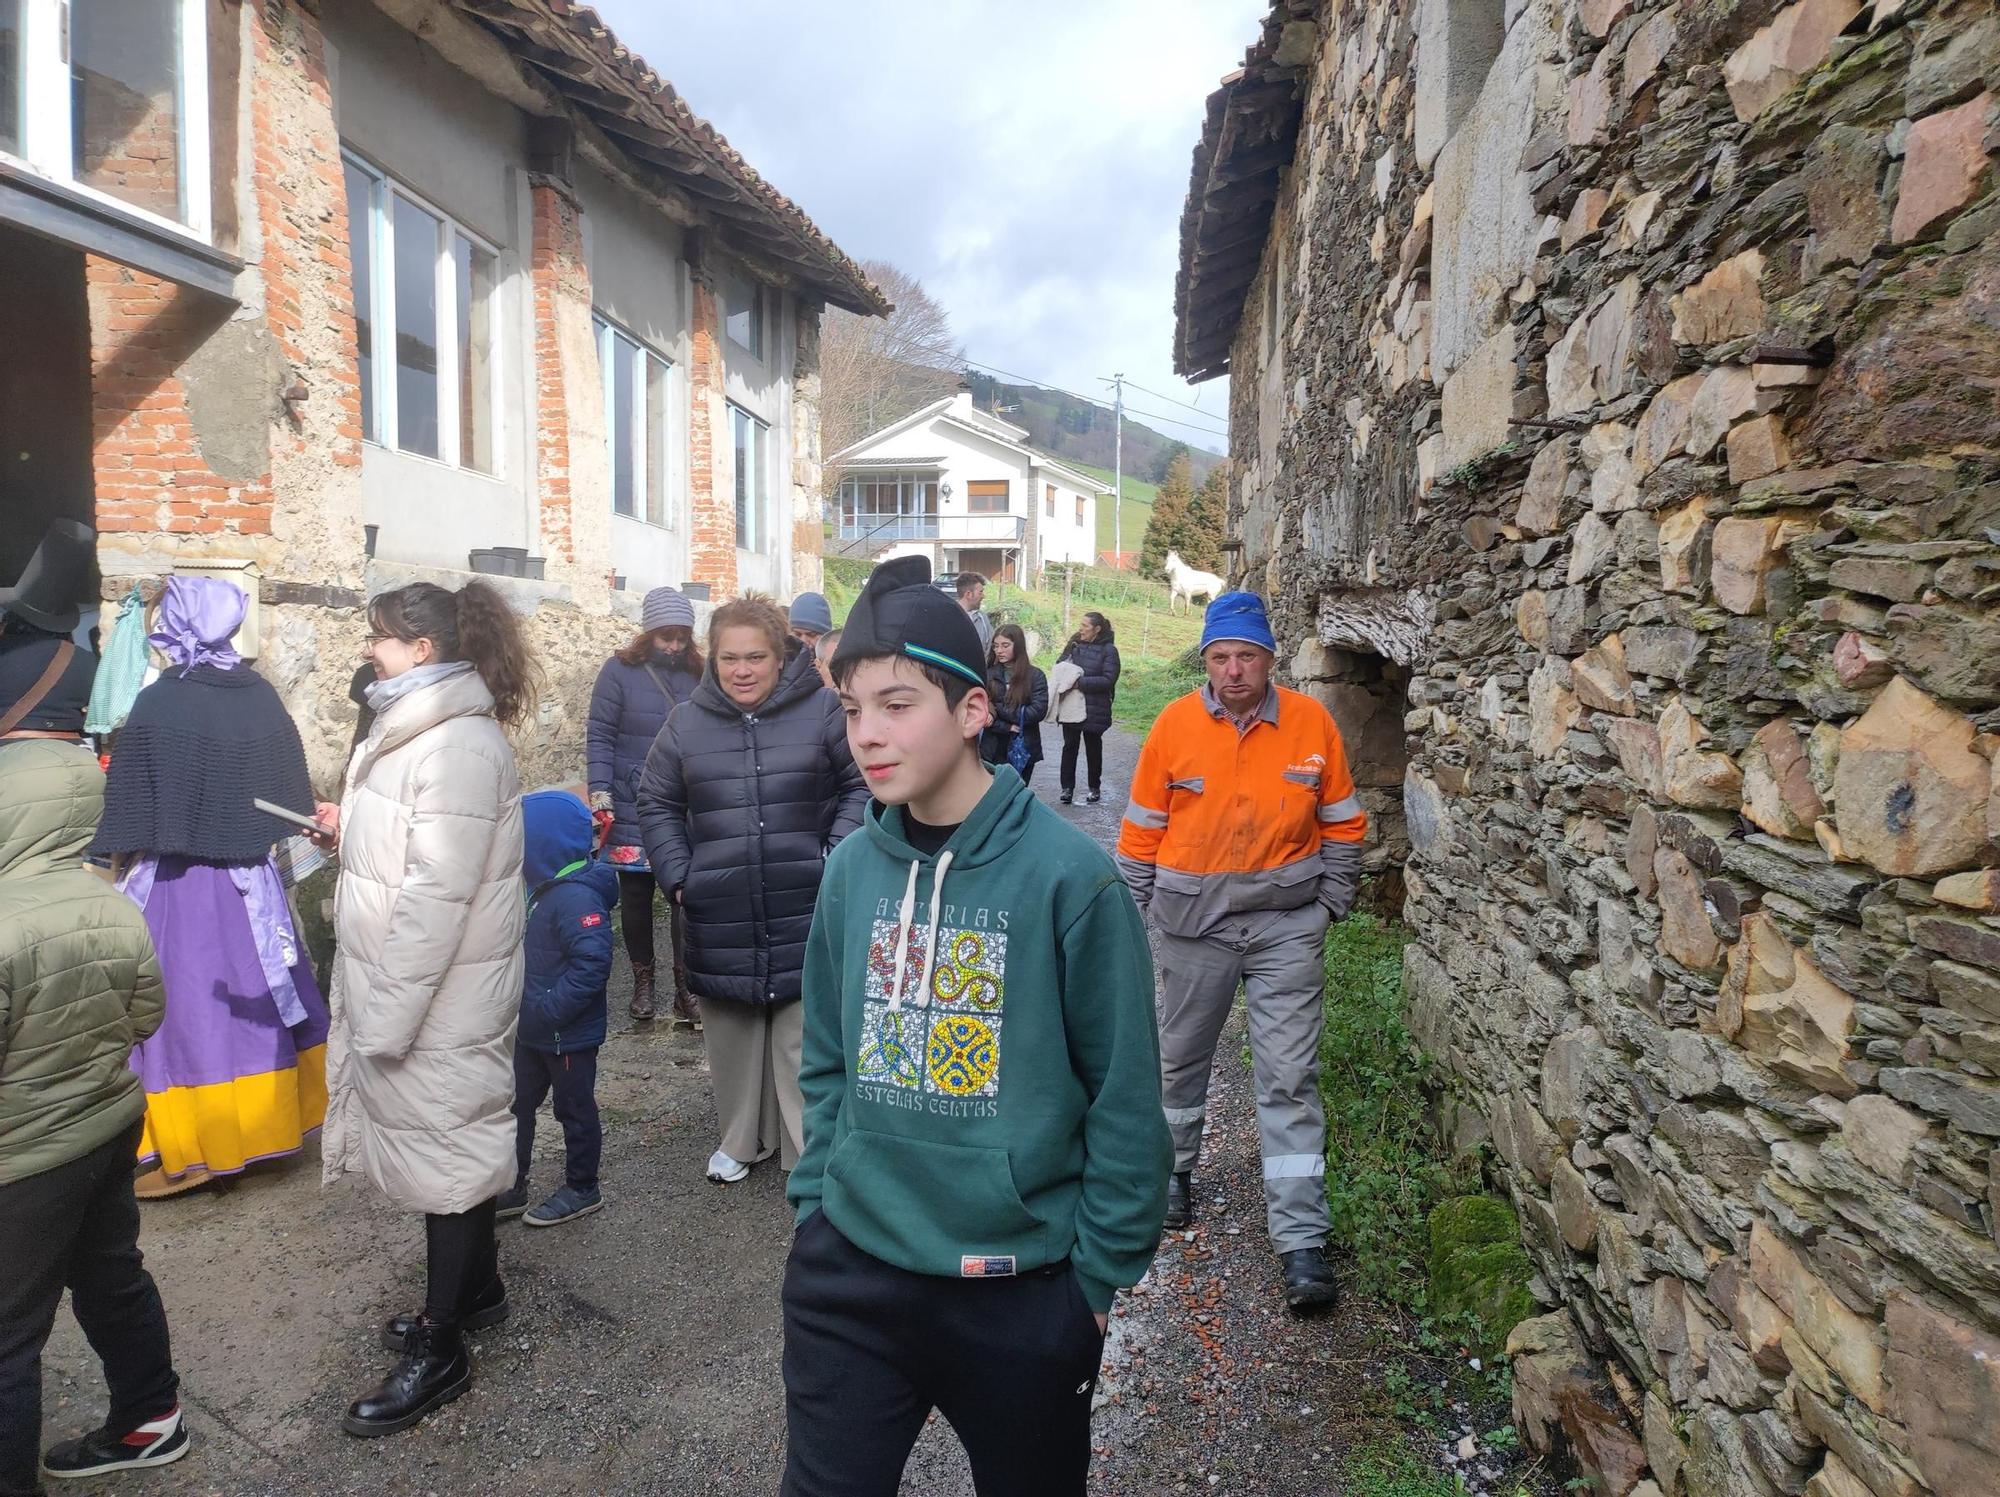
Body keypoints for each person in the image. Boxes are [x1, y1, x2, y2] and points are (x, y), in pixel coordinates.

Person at [782, 554, 1169, 1497]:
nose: (866, 735)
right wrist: (816, 1206)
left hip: (1021, 1291)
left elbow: (1124, 1095)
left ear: (972, 711)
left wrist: (1094, 1288)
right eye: (850, 707)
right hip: (853, 1274)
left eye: (897, 703)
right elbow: (827, 1059)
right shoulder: (851, 873)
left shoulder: (1069, 882)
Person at [319, 579, 536, 1437]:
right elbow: (407, 853)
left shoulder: (454, 745)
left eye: (379, 637)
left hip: (438, 995)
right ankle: (476, 1293)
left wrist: (385, 1019)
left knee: (449, 1160)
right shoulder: (415, 731)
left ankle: (443, 1348)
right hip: (429, 988)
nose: (368, 649)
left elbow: (436, 894)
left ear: (420, 649)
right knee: (454, 1143)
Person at [1114, 591, 1366, 1314]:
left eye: (1246, 657)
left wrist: (1328, 906)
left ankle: (1302, 1240)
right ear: (1206, 661)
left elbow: (1344, 823)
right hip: (1194, 928)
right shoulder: (1174, 725)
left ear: (1268, 659)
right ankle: (1172, 1171)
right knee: (1179, 1058)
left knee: (1289, 1077)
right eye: (1220, 657)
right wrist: (1131, 918)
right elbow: (1139, 834)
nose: (1233, 670)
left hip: (1287, 927)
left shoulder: (1312, 723)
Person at [90, 577, 330, 1200]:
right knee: (257, 997)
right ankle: (265, 1130)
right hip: (253, 886)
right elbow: (289, 797)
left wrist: (107, 868)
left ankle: (197, 1149)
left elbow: (128, 806)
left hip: (179, 887)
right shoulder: (261, 697)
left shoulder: (160, 704)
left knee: (188, 1013)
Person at [0, 741, 186, 1490]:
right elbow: (148, 1013)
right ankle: (150, 1418)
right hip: (108, 1128)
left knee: (9, 1337)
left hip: (21, 1159)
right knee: (111, 1275)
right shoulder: (113, 904)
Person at [637, 594, 866, 1185]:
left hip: (804, 899)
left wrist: (833, 854)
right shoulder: (686, 722)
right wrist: (678, 874)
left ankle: (803, 1148)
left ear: (780, 655)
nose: (742, 670)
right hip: (721, 902)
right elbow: (656, 800)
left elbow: (859, 787)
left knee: (801, 1031)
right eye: (729, 658)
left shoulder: (822, 712)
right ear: (712, 660)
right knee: (733, 1030)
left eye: (755, 657)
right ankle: (741, 1139)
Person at [586, 587, 702, 1026]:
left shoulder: (699, 674)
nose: (673, 646)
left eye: (681, 637)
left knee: (683, 898)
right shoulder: (617, 672)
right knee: (634, 898)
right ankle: (643, 983)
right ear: (648, 632)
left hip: (684, 802)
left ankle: (685, 989)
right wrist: (600, 792)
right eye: (665, 637)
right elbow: (600, 733)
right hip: (631, 799)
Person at [510, 791, 620, 1228]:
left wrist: (549, 1010)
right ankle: (511, 1183)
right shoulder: (540, 889)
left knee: (573, 1109)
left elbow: (593, 965)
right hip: (532, 1030)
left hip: (566, 1033)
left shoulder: (575, 898)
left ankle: (582, 1187)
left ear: (541, 845)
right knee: (516, 1105)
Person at [0, 519, 99, 748]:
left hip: (12, 759)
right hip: (77, 759)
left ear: (12, 619)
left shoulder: (4, 656)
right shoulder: (84, 661)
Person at [1054, 612, 1120, 806]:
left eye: (1085, 625)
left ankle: (1094, 787)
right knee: (1069, 747)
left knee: (1093, 748)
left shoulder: (1109, 650)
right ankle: (1067, 789)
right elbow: (1060, 665)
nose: (1080, 629)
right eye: (1080, 624)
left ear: (1097, 629)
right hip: (1071, 705)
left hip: (1095, 707)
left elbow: (1109, 679)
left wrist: (1079, 683)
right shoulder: (1074, 644)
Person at [978, 622, 1047, 785]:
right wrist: (1007, 726)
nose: (999, 651)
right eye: (996, 646)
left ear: (1018, 645)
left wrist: (1000, 708)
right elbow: (982, 711)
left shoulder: (1035, 676)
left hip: (1023, 746)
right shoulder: (989, 675)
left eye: (1005, 645)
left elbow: (1037, 711)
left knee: (1017, 796)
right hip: (992, 748)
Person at [953, 571, 993, 654]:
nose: (983, 596)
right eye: (980, 592)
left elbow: (990, 650)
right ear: (968, 594)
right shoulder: (948, 617)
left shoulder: (983, 618)